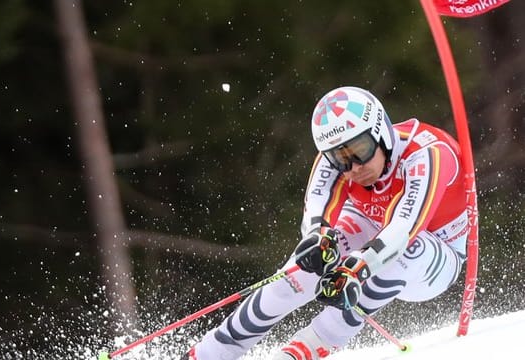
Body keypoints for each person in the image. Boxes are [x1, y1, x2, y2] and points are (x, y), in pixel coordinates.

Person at [182, 86, 468, 360]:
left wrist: (356, 268)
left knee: (404, 250)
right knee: (298, 272)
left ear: (381, 132)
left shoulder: (428, 154)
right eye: (342, 159)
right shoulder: (332, 159)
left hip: (434, 254)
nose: (354, 168)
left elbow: (404, 227)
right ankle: (209, 354)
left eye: (361, 150)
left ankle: (302, 350)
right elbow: (316, 217)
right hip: (373, 225)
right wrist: (319, 242)